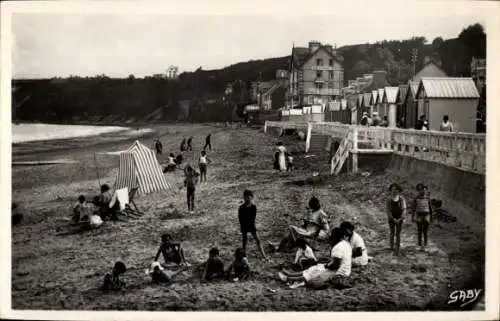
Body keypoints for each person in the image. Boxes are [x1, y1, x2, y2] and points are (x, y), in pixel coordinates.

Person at [277, 227, 352, 290]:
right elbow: (337, 262)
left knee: (313, 272)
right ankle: (290, 275)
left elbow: (335, 265)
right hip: (345, 271)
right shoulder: (346, 244)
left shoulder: (338, 247)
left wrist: (326, 265)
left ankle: (289, 278)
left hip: (338, 273)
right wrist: (326, 264)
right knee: (314, 268)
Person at [238, 190, 268, 260]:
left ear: (252, 197)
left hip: (251, 225)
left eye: (249, 197)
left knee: (258, 240)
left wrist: (252, 227)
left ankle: (264, 255)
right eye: (246, 197)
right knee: (244, 241)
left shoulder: (253, 207)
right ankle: (244, 256)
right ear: (244, 198)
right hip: (244, 225)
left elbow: (253, 218)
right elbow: (240, 219)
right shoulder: (241, 207)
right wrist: (242, 227)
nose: (247, 199)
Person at [386, 183, 407, 256]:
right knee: (392, 232)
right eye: (392, 190)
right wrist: (393, 219)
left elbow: (404, 209)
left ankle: (397, 247)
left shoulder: (402, 199)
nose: (394, 191)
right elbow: (388, 210)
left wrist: (401, 218)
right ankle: (391, 247)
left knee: (398, 233)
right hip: (392, 218)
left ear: (398, 190)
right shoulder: (389, 199)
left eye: (395, 190)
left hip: (400, 218)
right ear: (391, 191)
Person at [411, 183, 433, 249]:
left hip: (427, 216)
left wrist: (431, 216)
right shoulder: (416, 198)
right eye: (420, 190)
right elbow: (413, 208)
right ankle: (420, 244)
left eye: (423, 189)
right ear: (418, 190)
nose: (422, 191)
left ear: (425, 189)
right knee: (419, 230)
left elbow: (430, 207)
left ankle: (425, 244)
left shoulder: (427, 198)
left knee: (425, 231)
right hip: (419, 216)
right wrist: (412, 217)